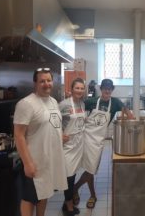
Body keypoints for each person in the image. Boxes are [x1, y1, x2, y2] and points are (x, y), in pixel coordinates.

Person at [13, 67, 67, 216]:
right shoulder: (26, 104)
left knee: (45, 193)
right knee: (29, 198)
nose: (46, 84)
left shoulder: (54, 102)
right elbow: (18, 135)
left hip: (49, 159)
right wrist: (28, 163)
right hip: (35, 160)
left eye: (49, 80)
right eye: (42, 81)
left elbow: (51, 124)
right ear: (35, 83)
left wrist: (59, 135)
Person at [73, 78, 134, 209]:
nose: (107, 90)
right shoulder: (92, 101)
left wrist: (127, 123)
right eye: (105, 88)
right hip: (86, 137)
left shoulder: (116, 102)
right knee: (88, 168)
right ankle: (92, 195)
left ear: (112, 90)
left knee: (91, 168)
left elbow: (130, 116)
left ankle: (74, 189)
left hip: (98, 140)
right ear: (101, 89)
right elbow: (76, 106)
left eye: (109, 88)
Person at [59, 78, 86, 216]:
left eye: (82, 88)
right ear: (71, 89)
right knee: (68, 178)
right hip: (68, 146)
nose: (80, 91)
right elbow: (53, 123)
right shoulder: (63, 105)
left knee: (73, 174)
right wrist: (59, 136)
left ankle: (66, 203)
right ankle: (69, 208)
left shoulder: (82, 103)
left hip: (78, 144)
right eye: (77, 88)